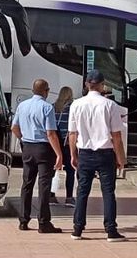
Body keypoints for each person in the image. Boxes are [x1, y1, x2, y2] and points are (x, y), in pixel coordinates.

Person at [69, 69, 127, 241]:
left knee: (82, 191)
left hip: (85, 152)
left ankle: (77, 228)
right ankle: (110, 229)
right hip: (105, 152)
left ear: (87, 84)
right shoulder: (110, 105)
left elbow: (72, 133)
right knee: (108, 192)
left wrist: (73, 154)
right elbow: (116, 135)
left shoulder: (76, 104)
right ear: (102, 85)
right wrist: (120, 158)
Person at [10, 78, 63, 233]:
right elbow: (51, 133)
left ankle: (23, 220)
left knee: (27, 184)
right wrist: (59, 154)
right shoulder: (47, 108)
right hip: (44, 148)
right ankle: (43, 222)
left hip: (27, 147)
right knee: (44, 185)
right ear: (45, 91)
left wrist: (23, 139)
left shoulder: (22, 105)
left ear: (33, 90)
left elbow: (14, 127)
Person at [53, 86, 76, 205]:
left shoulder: (53, 106)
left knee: (53, 170)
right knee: (70, 171)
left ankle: (51, 195)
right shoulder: (72, 107)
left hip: (54, 142)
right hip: (67, 142)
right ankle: (69, 197)